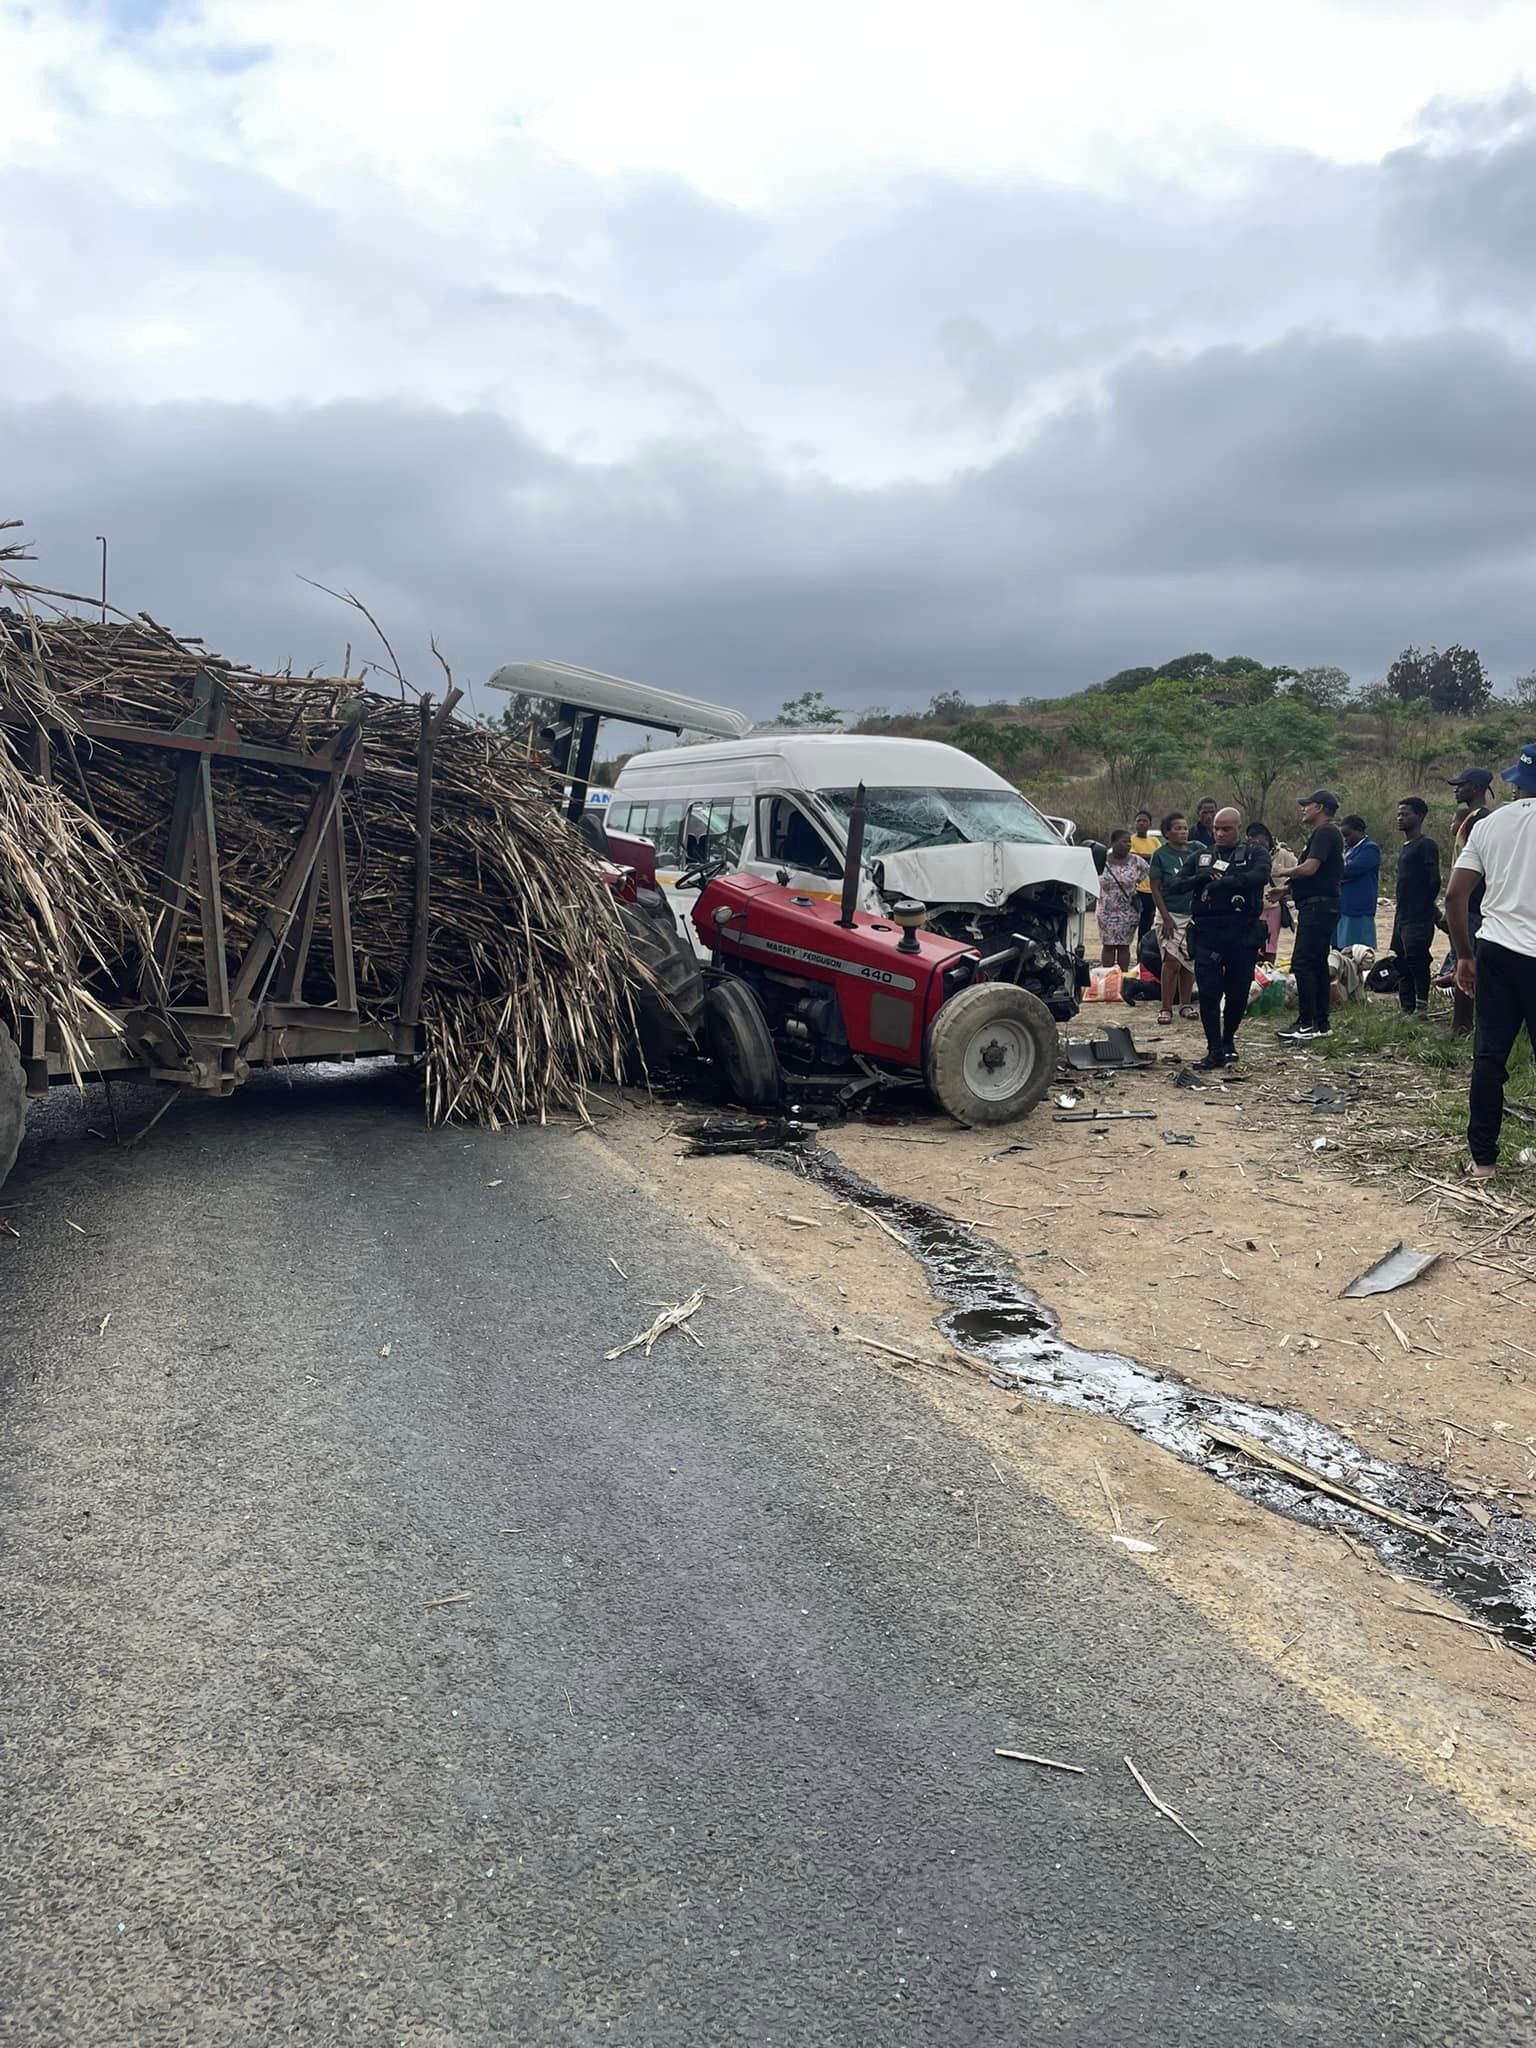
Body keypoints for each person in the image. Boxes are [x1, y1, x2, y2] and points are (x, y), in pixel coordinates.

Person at [1445, 742, 1536, 1180]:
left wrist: (1464, 955)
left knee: (1489, 1058)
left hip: (1497, 949)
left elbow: (1456, 896)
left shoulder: (1487, 826)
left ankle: (1482, 1162)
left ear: (1517, 782)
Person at [1179, 806, 1270, 1069]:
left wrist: (1225, 882)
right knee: (1208, 992)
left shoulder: (1255, 853)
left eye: (1226, 828)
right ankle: (1214, 1049)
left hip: (1242, 933)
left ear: (1239, 828)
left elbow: (1260, 876)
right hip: (1208, 933)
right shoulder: (1202, 856)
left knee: (1238, 991)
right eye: (1216, 828)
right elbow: (1176, 883)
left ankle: (1228, 1040)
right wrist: (1202, 878)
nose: (1220, 833)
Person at [1278, 790, 1345, 1043]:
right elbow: (1321, 876)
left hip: (1318, 909)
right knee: (1316, 964)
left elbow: (1311, 868)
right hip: (1320, 906)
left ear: (1319, 807)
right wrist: (1285, 890)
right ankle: (1320, 1022)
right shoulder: (1325, 834)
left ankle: (1306, 1023)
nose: (1303, 809)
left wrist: (1284, 871)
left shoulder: (1325, 832)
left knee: (1303, 963)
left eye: (1306, 805)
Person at [1439, 768, 1494, 1030]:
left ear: (1475, 788)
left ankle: (1461, 1026)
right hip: (1466, 902)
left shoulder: (1480, 820)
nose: (1456, 789)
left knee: (1466, 962)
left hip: (1472, 903)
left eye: (1460, 785)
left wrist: (1456, 903)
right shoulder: (1469, 818)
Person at [1391, 797, 1441, 1019]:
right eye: (1399, 814)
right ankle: (1406, 1007)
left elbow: (1434, 880)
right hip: (1402, 914)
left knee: (1417, 959)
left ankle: (1421, 1007)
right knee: (1401, 960)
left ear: (1419, 817)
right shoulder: (1405, 847)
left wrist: (1426, 906)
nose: (1400, 818)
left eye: (1406, 814)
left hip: (1418, 915)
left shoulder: (1426, 845)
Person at [1148, 811, 1199, 1023]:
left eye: (1185, 828)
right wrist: (1166, 917)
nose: (1183, 832)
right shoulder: (1160, 855)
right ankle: (1166, 1007)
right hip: (1170, 914)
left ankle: (1185, 1005)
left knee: (1189, 960)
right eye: (1177, 828)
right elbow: (1155, 888)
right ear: (1167, 833)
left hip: (1193, 914)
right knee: (1171, 960)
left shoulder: (1196, 851)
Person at [1095, 828, 1149, 970]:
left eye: (1129, 842)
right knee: (1108, 946)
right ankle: (1107, 979)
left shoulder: (1136, 861)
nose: (1128, 844)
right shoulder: (1101, 859)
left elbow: (1146, 873)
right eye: (1124, 841)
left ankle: (1122, 978)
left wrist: (1132, 884)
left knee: (1124, 945)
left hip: (1128, 910)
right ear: (1113, 843)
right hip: (1106, 910)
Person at [1246, 822, 1294, 960]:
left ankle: (1268, 975)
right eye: (1250, 838)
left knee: (1270, 947)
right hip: (1254, 907)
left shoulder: (1283, 855)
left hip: (1273, 908)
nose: (1254, 842)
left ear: (1267, 838)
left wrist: (1287, 889)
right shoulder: (1248, 854)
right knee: (1252, 946)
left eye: (1257, 838)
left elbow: (1298, 871)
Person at [1336, 814, 1380, 951]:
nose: (1345, 839)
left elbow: (1350, 870)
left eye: (1347, 835)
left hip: (1359, 907)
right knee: (1341, 947)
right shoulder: (1347, 850)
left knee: (1358, 949)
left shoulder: (1370, 849)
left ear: (1359, 831)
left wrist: (1337, 872)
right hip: (1344, 905)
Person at [1130, 808, 1160, 942]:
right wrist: (1150, 857)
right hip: (1135, 890)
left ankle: (1141, 958)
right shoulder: (1130, 840)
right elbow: (1134, 858)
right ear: (1135, 823)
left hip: (1151, 889)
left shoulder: (1154, 841)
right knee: (1130, 926)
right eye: (1139, 821)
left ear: (1150, 824)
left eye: (1145, 821)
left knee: (1145, 927)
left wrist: (1147, 857)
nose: (1141, 823)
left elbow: (1160, 857)